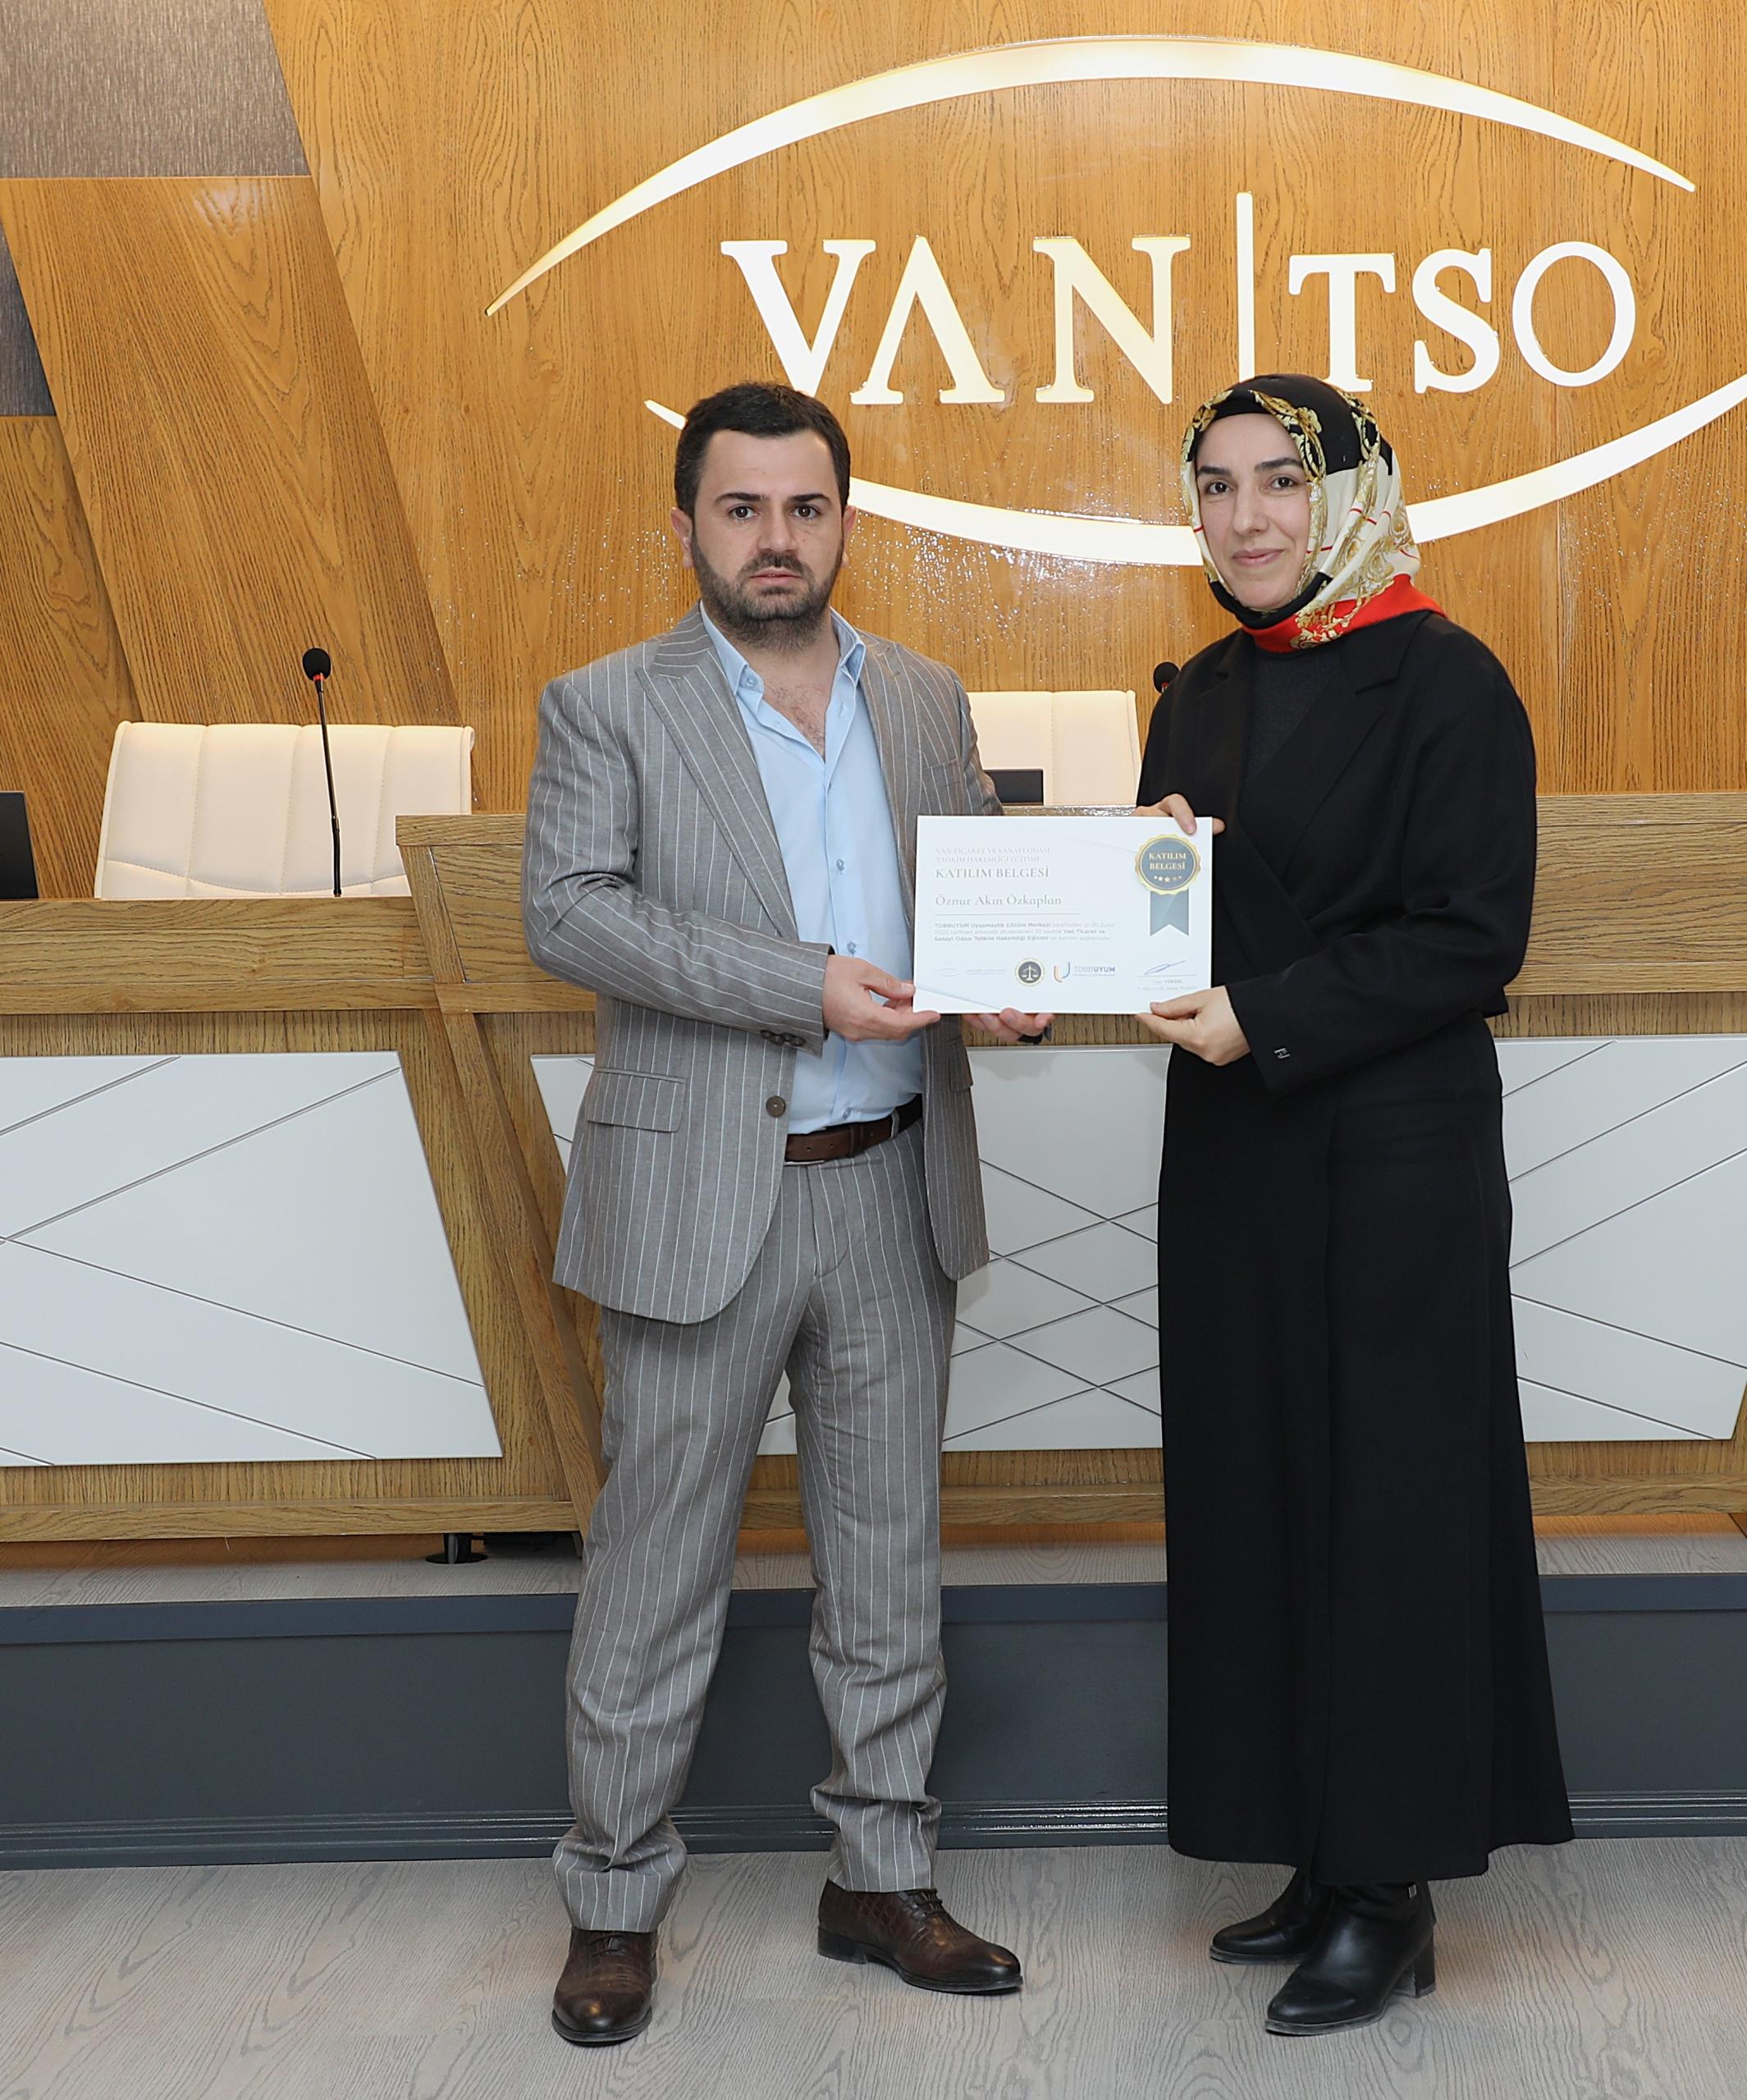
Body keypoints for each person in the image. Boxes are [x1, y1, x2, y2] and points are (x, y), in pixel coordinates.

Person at [523, 381, 1050, 2047]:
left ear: (844, 521)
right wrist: (798, 983)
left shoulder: (925, 695)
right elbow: (570, 915)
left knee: (888, 1565)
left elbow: (974, 889)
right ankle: (614, 1900)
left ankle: (880, 1879)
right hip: (698, 1199)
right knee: (655, 1568)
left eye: (804, 508)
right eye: (740, 508)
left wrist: (1011, 979)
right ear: (687, 523)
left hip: (892, 1185)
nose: (774, 538)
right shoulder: (606, 703)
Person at [1135, 374, 1572, 2039]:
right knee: (1254, 1490)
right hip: (1234, 1152)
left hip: (1390, 1154)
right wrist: (1101, 932)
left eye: (1279, 481)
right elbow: (1171, 906)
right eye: (1214, 485)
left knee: (1391, 1505)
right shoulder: (1199, 690)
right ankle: (1315, 1848)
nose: (1244, 516)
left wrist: (1266, 1011)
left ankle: (1389, 1890)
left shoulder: (1448, 679)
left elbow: (1474, 935)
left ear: (1351, 496)